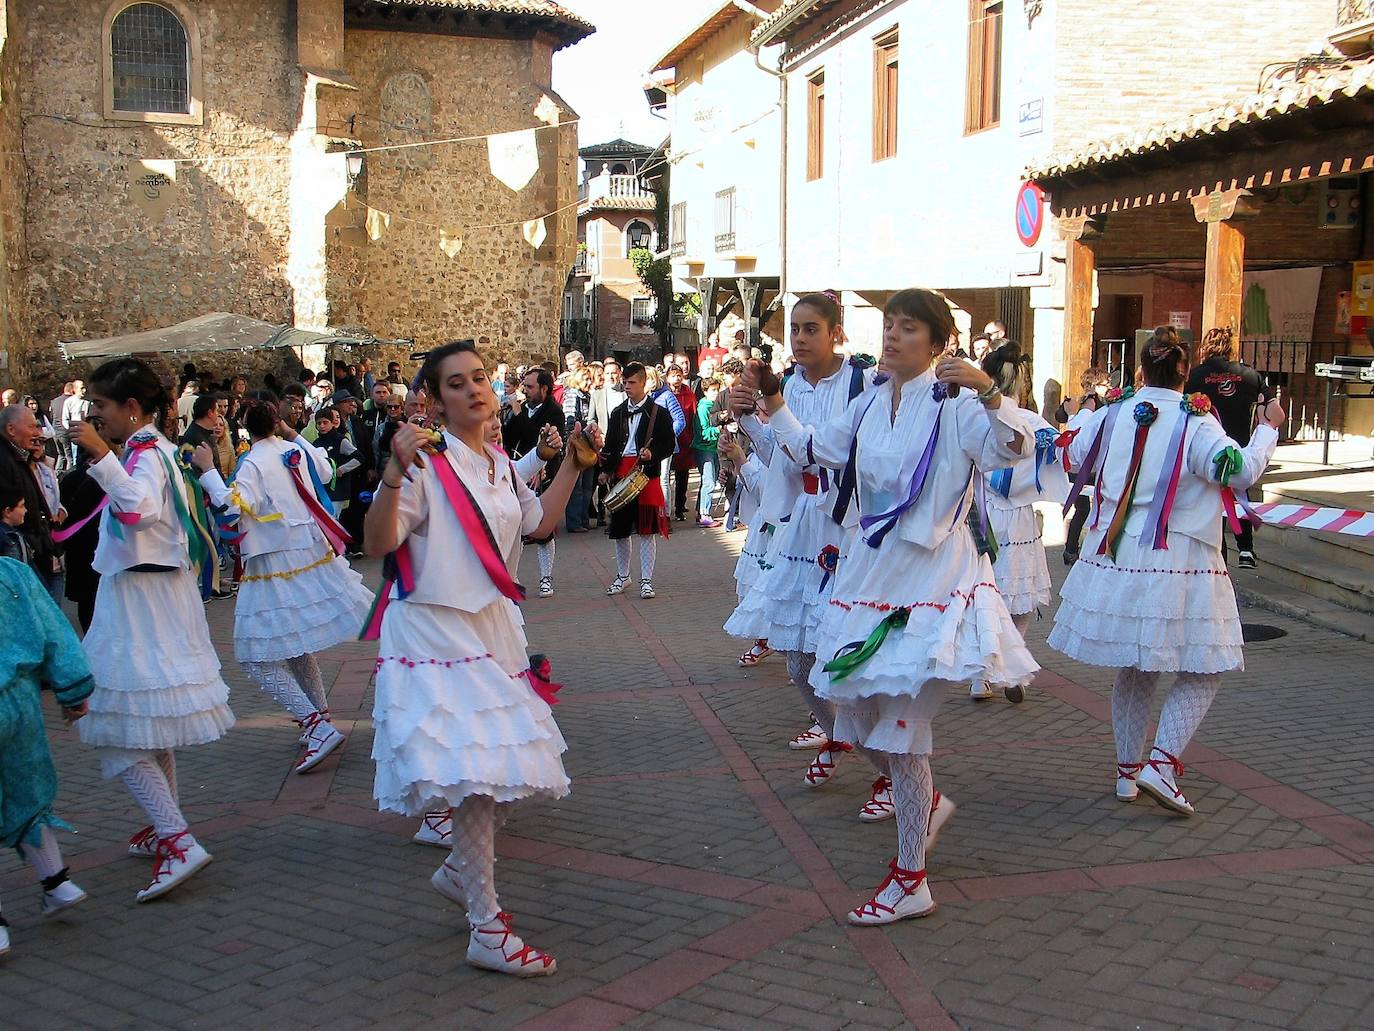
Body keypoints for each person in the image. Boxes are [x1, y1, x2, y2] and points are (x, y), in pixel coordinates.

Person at [736, 288, 1036, 924]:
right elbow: (813, 448)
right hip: (872, 575)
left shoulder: (955, 403)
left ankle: (910, 878)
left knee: (901, 731)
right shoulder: (872, 400)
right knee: (860, 714)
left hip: (934, 581)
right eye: (890, 325)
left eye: (908, 328)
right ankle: (921, 807)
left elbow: (1014, 450)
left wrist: (988, 391)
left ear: (937, 342)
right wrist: (772, 400)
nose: (893, 336)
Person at [362, 338, 597, 977]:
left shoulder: (495, 459)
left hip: (493, 626)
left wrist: (573, 467)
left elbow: (538, 525)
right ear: (435, 402)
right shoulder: (424, 464)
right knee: (476, 768)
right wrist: (390, 475)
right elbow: (378, 540)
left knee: (514, 758)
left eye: (480, 378)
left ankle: (459, 866)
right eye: (457, 383)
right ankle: (486, 928)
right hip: (436, 629)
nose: (474, 389)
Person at [1049, 332, 1284, 816]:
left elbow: (1070, 456)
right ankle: (1161, 762)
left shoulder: (1112, 412)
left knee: (1136, 666)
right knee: (1207, 665)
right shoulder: (1196, 421)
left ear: (1140, 371)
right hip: (1180, 558)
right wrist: (1267, 430)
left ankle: (1128, 774)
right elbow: (1237, 470)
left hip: (1117, 554)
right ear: (1185, 373)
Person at [68, 358, 235, 902]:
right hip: (154, 592)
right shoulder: (156, 450)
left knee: (116, 721)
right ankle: (170, 826)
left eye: (101, 409)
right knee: (148, 719)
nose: (95, 417)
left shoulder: (142, 454)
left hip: (141, 598)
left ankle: (176, 836)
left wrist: (98, 454)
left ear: (131, 408)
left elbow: (138, 509)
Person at [724, 293, 876, 787]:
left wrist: (773, 410)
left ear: (837, 333)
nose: (801, 338)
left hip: (848, 525)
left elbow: (832, 451)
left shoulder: (863, 383)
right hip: (801, 526)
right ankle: (836, 734)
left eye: (812, 328)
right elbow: (783, 456)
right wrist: (748, 418)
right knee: (796, 657)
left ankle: (892, 768)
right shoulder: (788, 383)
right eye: (794, 329)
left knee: (844, 652)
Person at [193, 392, 372, 770]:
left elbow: (234, 506)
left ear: (245, 426)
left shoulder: (254, 462)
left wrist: (208, 470)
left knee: (255, 655)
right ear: (278, 422)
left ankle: (315, 724)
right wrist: (295, 435)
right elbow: (326, 470)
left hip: (274, 562)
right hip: (305, 551)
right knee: (294, 645)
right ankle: (319, 717)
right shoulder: (291, 450)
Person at [0, 557, 95, 956]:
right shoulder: (11, 571)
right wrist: (72, 689)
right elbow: (55, 631)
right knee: (28, 789)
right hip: (19, 700)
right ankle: (56, 881)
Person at [970, 341, 1069, 703]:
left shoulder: (973, 416)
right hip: (1018, 519)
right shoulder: (1032, 422)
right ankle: (1011, 665)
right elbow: (1061, 457)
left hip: (980, 513)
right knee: (1021, 597)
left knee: (982, 591)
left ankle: (983, 673)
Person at [1185, 326, 1269, 570]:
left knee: (1213, 497)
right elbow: (1267, 403)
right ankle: (1246, 549)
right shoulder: (1250, 375)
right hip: (1240, 443)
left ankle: (1219, 552)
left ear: (1205, 348)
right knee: (1240, 493)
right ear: (1230, 347)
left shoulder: (1195, 376)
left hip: (1209, 443)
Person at [598, 362, 675, 599]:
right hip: (622, 473)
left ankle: (646, 581)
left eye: (632, 382)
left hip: (646, 475)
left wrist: (653, 454)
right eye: (625, 382)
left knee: (646, 531)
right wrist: (606, 470)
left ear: (643, 383)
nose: (627, 386)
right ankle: (623, 576)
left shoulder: (659, 413)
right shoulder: (618, 412)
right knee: (620, 530)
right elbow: (611, 446)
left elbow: (668, 444)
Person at [504, 368, 565, 598]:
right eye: (524, 386)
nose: (525, 391)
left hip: (542, 475)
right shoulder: (520, 410)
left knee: (542, 528)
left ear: (544, 389)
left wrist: (519, 414)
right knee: (514, 526)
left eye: (530, 387)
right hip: (517, 473)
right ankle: (511, 576)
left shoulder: (554, 412)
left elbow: (537, 442)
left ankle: (545, 578)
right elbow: (508, 438)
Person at [719, 428, 774, 668]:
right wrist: (732, 476)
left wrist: (739, 458)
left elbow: (767, 491)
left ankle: (796, 652)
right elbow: (750, 487)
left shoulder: (782, 448)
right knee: (753, 585)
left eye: (763, 413)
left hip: (784, 529)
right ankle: (764, 640)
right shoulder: (756, 453)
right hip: (761, 528)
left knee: (777, 588)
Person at [0, 404, 59, 598]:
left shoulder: (17, 456)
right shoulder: (4, 459)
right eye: (32, 427)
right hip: (20, 549)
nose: (37, 433)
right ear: (11, 429)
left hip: (33, 546)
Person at [1058, 366, 1110, 565]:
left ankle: (1073, 548)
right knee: (1083, 508)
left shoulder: (1089, 406)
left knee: (1084, 508)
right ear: (1095, 386)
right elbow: (1073, 432)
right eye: (1105, 384)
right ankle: (1071, 549)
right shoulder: (1088, 408)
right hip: (1079, 467)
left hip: (1084, 466)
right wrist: (1071, 415)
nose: (1110, 387)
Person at [646, 366, 687, 522]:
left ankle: (664, 515)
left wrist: (668, 436)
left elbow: (680, 420)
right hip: (645, 446)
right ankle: (650, 514)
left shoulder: (667, 396)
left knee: (663, 478)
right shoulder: (641, 398)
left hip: (664, 446)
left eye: (648, 378)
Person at [560, 368, 593, 534]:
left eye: (590, 379)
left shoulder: (587, 395)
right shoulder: (573, 395)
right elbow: (569, 419)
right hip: (577, 443)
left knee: (587, 485)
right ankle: (574, 521)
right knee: (577, 485)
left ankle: (584, 519)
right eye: (585, 379)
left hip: (589, 443)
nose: (589, 382)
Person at [667, 364, 697, 520]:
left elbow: (692, 415)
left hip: (685, 439)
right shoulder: (665, 394)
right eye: (673, 375)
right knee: (665, 477)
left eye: (679, 375)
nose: (677, 378)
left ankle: (679, 507)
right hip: (668, 439)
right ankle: (666, 508)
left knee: (682, 476)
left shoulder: (688, 394)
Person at [692, 379, 722, 527]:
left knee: (710, 479)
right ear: (705, 391)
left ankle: (700, 511)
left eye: (717, 389)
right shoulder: (703, 408)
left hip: (713, 448)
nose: (716, 393)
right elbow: (703, 432)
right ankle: (705, 513)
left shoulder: (715, 405)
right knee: (709, 481)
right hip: (704, 449)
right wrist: (719, 430)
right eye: (712, 390)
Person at [62, 381, 92, 466]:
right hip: (75, 433)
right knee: (76, 457)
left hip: (87, 434)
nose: (84, 390)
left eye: (84, 388)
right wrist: (70, 431)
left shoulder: (88, 402)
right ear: (75, 389)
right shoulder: (69, 402)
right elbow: (65, 419)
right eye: (81, 388)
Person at [49, 383, 74, 475]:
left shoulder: (54, 401)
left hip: (56, 431)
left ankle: (56, 473)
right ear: (72, 390)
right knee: (69, 456)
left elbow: (51, 416)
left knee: (61, 455)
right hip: (66, 432)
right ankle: (69, 475)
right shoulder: (71, 401)